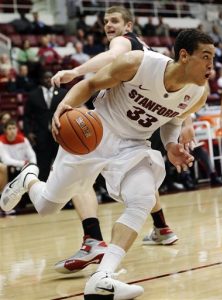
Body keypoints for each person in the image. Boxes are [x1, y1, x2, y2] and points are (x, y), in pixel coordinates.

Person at [0, 29, 215, 299]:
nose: (211, 65)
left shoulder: (198, 94)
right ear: (184, 56)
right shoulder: (139, 63)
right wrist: (64, 105)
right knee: (46, 206)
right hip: (95, 132)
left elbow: (172, 120)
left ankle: (102, 277)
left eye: (214, 57)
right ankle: (29, 179)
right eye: (205, 56)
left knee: (143, 198)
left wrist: (171, 146)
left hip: (133, 146)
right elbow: (90, 85)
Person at [51, 6, 178, 274]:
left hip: (119, 123)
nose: (109, 24)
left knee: (79, 172)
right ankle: (162, 226)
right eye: (106, 21)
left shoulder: (124, 43)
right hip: (140, 121)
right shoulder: (147, 51)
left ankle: (93, 239)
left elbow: (113, 54)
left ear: (128, 26)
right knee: (140, 180)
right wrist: (182, 123)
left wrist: (74, 72)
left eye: (115, 20)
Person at [23, 71, 68, 181]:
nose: (48, 79)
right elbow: (27, 116)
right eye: (45, 77)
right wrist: (28, 132)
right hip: (41, 136)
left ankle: (65, 197)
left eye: (50, 77)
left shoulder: (63, 93)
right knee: (43, 166)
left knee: (61, 165)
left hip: (59, 134)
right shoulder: (33, 95)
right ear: (41, 80)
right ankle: (42, 193)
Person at [0, 119, 36, 215]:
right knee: (4, 167)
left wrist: (32, 165)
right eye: (9, 128)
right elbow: (6, 160)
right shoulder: (1, 142)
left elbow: (32, 156)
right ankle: (6, 205)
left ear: (17, 129)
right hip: (10, 170)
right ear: (5, 130)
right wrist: (24, 163)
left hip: (23, 169)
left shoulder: (23, 140)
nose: (12, 131)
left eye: (14, 128)